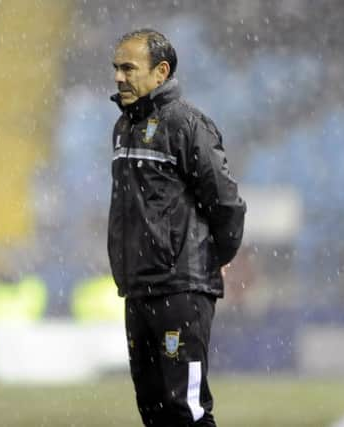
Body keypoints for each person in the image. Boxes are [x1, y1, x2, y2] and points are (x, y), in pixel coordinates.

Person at [107, 29, 246, 427]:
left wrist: (214, 258)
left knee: (187, 410)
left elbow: (227, 204)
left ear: (160, 72)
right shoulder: (123, 127)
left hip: (179, 289)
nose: (118, 77)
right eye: (116, 68)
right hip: (138, 289)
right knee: (153, 410)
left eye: (128, 68)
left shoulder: (187, 125)